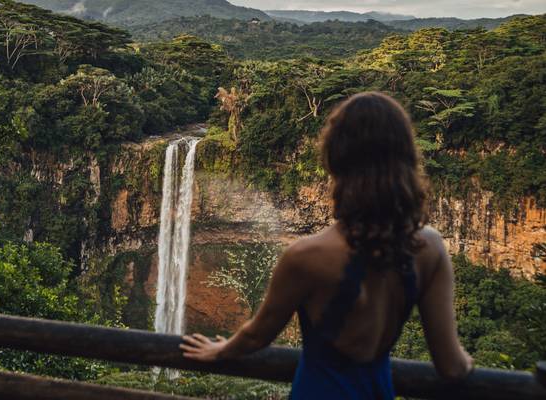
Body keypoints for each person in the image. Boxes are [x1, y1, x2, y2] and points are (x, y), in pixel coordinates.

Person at [179, 92, 474, 399]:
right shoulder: (430, 248)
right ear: (407, 159)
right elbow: (452, 367)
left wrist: (221, 349)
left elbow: (256, 335)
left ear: (334, 160)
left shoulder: (307, 255)